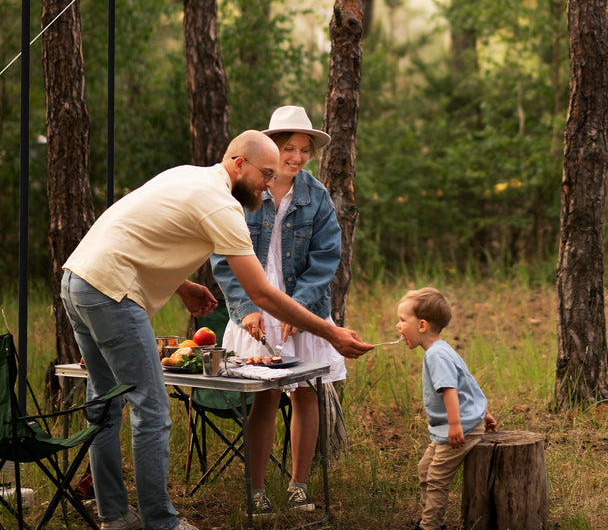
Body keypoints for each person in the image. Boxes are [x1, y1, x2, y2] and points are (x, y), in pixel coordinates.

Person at [60, 129, 372, 530]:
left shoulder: (186, 174)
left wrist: (183, 284)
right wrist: (332, 334)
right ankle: (162, 523)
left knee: (105, 403)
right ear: (239, 163)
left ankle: (114, 517)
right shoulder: (223, 207)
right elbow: (261, 292)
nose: (269, 184)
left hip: (78, 279)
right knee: (151, 410)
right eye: (265, 173)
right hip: (112, 294)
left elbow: (136, 236)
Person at [212, 106, 344, 515]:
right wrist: (247, 308)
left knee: (306, 394)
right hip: (254, 308)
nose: (298, 157)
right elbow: (223, 256)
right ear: (273, 148)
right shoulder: (246, 188)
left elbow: (326, 258)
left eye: (306, 150)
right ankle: (255, 490)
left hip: (302, 307)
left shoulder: (316, 195)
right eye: (290, 148)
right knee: (266, 397)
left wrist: (298, 308)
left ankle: (298, 485)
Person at [396, 287, 497, 530]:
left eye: (401, 320)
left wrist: (455, 425)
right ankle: (430, 519)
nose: (398, 326)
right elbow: (468, 382)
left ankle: (430, 526)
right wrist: (484, 413)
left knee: (437, 478)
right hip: (456, 424)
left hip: (459, 427)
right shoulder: (442, 349)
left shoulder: (436, 356)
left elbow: (451, 390)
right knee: (425, 469)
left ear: (421, 326)